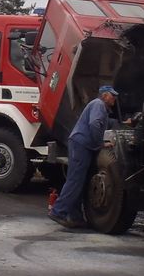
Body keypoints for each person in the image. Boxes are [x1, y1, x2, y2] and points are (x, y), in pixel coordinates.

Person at [48, 84, 120, 230]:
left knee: (78, 180)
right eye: (112, 95)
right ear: (104, 95)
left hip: (81, 145)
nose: (115, 98)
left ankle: (75, 217)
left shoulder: (100, 107)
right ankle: (58, 211)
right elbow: (94, 124)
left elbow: (102, 123)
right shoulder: (99, 104)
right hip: (81, 145)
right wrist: (100, 143)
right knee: (75, 180)